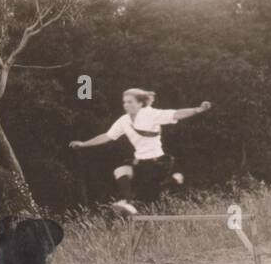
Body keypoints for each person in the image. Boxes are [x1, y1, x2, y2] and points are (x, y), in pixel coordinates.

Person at [69, 89, 213, 215]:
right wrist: (84, 144)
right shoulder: (124, 120)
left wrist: (198, 109)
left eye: (130, 102)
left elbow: (176, 114)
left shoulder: (151, 114)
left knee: (148, 195)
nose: (126, 105)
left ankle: (173, 182)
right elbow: (107, 136)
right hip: (140, 163)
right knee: (120, 170)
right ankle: (128, 202)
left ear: (140, 104)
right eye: (124, 102)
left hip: (158, 163)